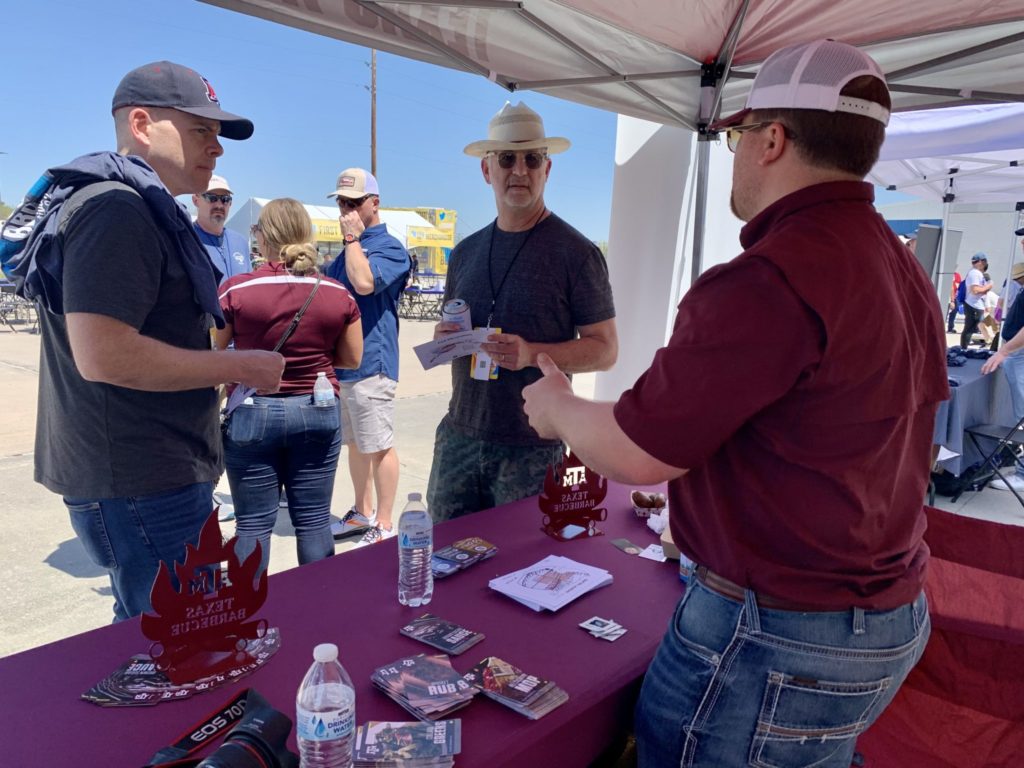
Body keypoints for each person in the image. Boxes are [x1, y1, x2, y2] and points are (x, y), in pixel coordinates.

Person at [522, 40, 947, 768]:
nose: (735, 152)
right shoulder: (901, 264)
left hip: (777, 628)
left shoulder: (770, 276)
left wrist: (558, 407)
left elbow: (634, 452)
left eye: (737, 134)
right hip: (883, 613)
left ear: (772, 139)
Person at [22, 61, 285, 621]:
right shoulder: (115, 209)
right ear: (142, 123)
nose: (216, 150)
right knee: (174, 642)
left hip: (142, 470)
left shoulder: (129, 204)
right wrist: (237, 367)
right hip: (141, 476)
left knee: (153, 635)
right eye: (201, 131)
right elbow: (105, 353)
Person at [427, 101, 617, 521]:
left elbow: (605, 350)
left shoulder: (577, 253)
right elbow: (459, 329)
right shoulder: (465, 253)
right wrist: (449, 341)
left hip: (533, 448)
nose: (519, 170)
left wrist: (532, 353)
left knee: (525, 576)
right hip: (459, 437)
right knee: (446, 568)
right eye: (507, 158)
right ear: (486, 170)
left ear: (546, 170)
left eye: (532, 159)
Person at [217, 198, 362, 573]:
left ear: (263, 238)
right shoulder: (337, 292)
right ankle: (317, 613)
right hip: (316, 407)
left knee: (251, 525)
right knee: (313, 522)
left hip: (252, 412)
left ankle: (250, 618)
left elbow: (212, 357)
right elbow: (351, 359)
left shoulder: (235, 289)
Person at [324, 168, 410, 545]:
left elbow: (364, 283)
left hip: (374, 362)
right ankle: (361, 511)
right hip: (344, 367)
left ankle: (386, 523)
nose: (347, 210)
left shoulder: (389, 247)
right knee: (357, 444)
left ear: (374, 202)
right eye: (342, 202)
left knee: (378, 445)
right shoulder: (348, 249)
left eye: (354, 202)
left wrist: (351, 237)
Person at [980, 260, 1024, 492]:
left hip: (1019, 352)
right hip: (1017, 351)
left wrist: (1006, 351)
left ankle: (1023, 473)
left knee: (1022, 415)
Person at [193, 174, 251, 284]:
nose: (219, 205)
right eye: (212, 198)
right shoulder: (186, 239)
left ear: (230, 203)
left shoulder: (240, 242)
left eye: (225, 199)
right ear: (196, 200)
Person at [961, 252, 992, 348]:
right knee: (969, 328)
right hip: (973, 304)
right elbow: (975, 290)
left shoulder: (977, 273)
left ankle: (965, 347)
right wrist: (989, 286)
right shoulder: (974, 273)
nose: (986, 264)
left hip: (976, 304)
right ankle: (964, 348)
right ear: (980, 262)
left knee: (973, 327)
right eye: (985, 261)